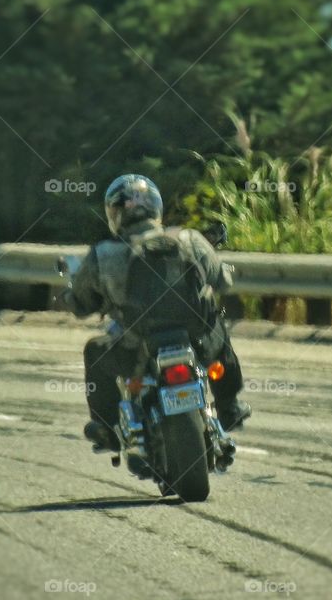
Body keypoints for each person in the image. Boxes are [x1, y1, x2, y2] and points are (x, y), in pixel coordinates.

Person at [60, 174, 251, 451]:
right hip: (195, 337)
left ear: (115, 214)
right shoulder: (189, 239)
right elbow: (222, 281)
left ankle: (108, 429)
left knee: (94, 351)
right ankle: (229, 406)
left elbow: (81, 304)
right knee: (217, 327)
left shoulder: (104, 254)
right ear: (156, 206)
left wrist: (73, 296)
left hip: (137, 344)